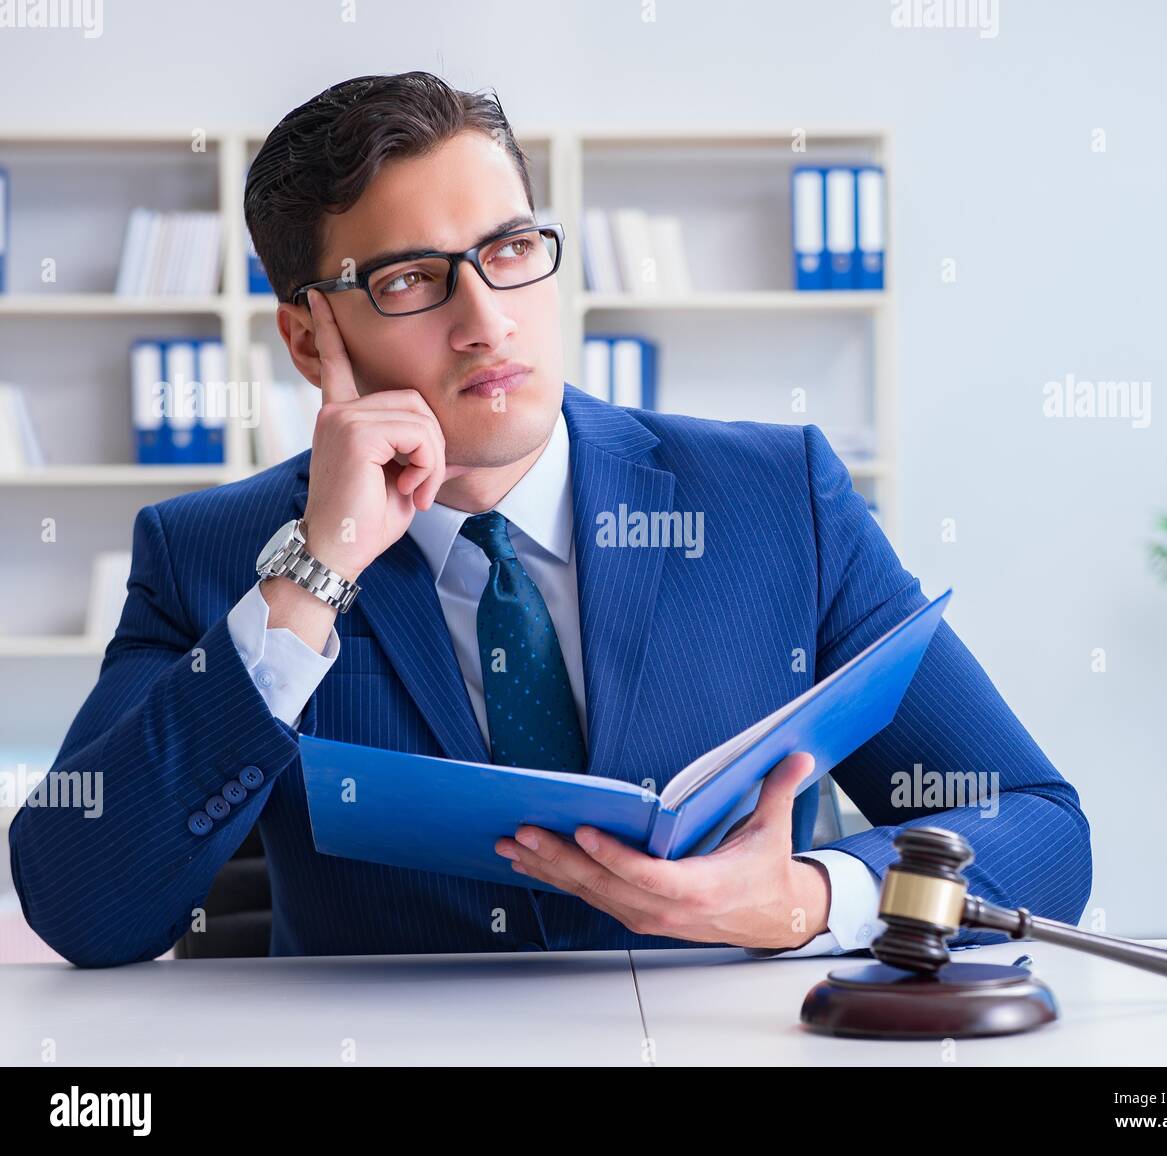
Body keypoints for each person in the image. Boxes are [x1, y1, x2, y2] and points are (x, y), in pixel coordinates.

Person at [9, 72, 1091, 968]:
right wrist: (316, 567)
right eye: (411, 280)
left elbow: (1039, 826)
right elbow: (82, 908)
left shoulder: (777, 499)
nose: (488, 321)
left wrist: (813, 897)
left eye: (511, 249)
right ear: (308, 342)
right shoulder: (209, 555)